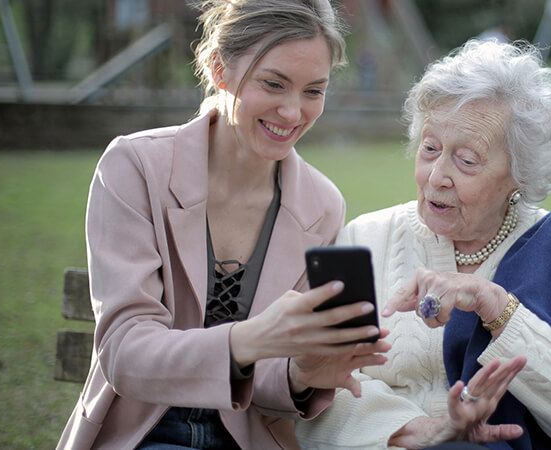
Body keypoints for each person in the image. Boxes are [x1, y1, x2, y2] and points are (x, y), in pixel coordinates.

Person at [57, 1, 391, 448]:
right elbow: (125, 352)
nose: (293, 113)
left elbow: (270, 382)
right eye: (274, 84)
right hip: (143, 432)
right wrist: (248, 339)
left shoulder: (322, 204)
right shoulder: (135, 166)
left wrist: (301, 372)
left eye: (314, 91)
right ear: (219, 69)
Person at [295, 39, 551, 449]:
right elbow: (312, 390)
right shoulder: (365, 238)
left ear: (521, 175)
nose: (436, 176)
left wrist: (494, 305)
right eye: (429, 149)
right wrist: (415, 431)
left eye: (466, 160)